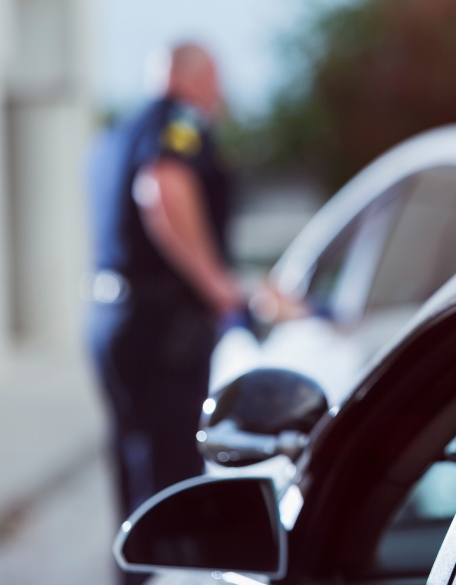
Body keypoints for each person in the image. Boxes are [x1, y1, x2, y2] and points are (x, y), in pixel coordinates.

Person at [86, 43, 242, 584]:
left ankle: (130, 575)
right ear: (194, 76)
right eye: (217, 78)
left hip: (111, 316)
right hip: (161, 327)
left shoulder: (117, 132)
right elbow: (163, 187)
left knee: (134, 467)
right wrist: (218, 287)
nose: (220, 93)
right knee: (172, 479)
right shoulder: (178, 121)